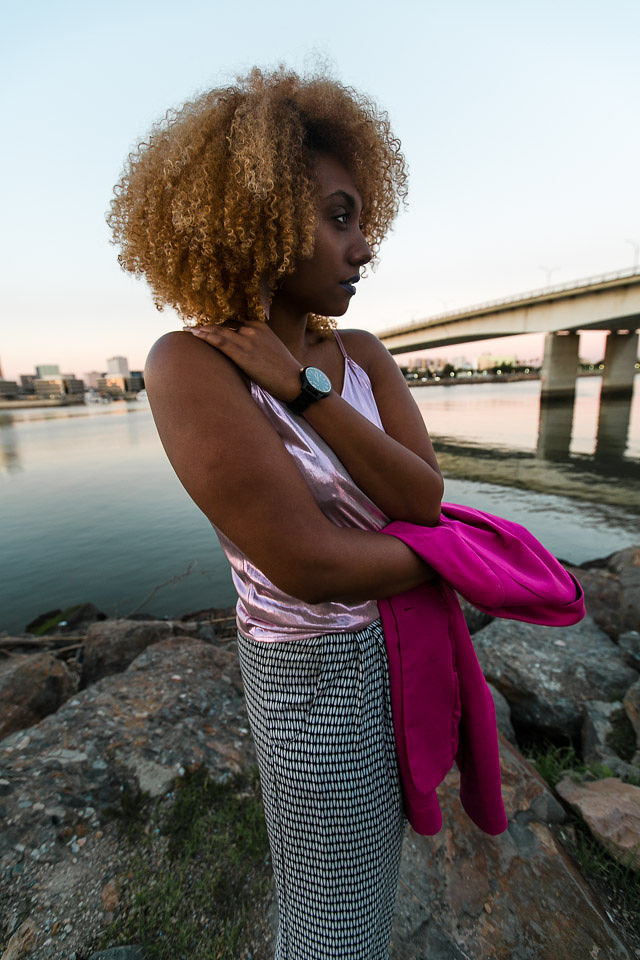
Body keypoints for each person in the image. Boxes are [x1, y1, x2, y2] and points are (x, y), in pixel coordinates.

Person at [108, 66, 444, 960]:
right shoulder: (187, 366)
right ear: (255, 216)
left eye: (364, 220)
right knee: (329, 913)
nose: (363, 247)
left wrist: (302, 390)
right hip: (311, 676)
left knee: (376, 877)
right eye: (340, 218)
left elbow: (424, 498)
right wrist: (453, 562)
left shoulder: (363, 355)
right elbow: (307, 563)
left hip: (404, 647)